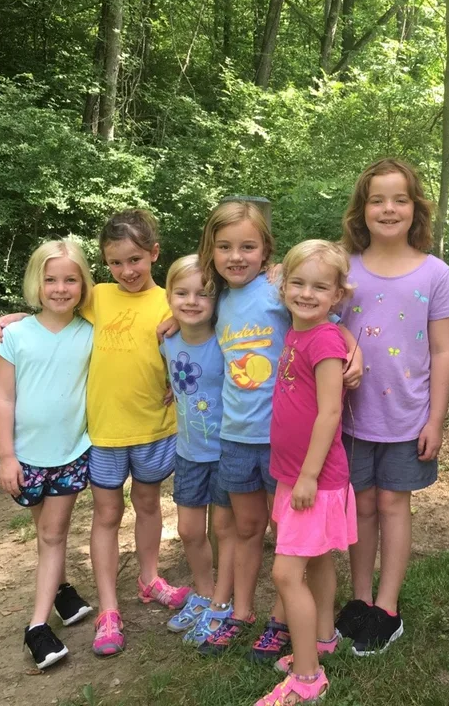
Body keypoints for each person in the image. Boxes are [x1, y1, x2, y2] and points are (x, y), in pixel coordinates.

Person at [0, 209, 190, 657]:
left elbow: (201, 315)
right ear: (105, 264)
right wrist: (13, 317)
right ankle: (107, 608)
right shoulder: (97, 296)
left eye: (136, 260)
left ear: (154, 254)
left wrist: (182, 322)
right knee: (105, 516)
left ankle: (149, 579)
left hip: (155, 428)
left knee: (146, 504)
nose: (127, 271)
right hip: (102, 433)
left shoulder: (170, 301)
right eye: (116, 263)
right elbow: (53, 305)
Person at [177, 201, 361, 661]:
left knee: (289, 534)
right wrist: (172, 321)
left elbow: (329, 324)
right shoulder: (216, 298)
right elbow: (187, 313)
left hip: (283, 443)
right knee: (244, 527)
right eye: (225, 247)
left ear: (265, 252)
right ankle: (239, 613)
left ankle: (280, 620)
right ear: (211, 252)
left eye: (247, 246)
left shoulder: (279, 292)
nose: (236, 256)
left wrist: (357, 351)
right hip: (235, 436)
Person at [334, 158, 449, 655]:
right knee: (360, 507)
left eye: (400, 199)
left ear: (416, 209)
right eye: (377, 199)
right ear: (362, 210)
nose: (388, 208)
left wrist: (436, 418)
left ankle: (388, 608)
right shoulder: (343, 268)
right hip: (348, 416)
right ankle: (361, 599)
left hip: (409, 417)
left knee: (392, 505)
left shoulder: (435, 273)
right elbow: (315, 313)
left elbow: (442, 350)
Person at [255, 240, 358, 705]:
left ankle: (306, 678)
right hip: (293, 474)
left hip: (313, 479)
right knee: (317, 560)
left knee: (285, 575)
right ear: (283, 286)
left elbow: (331, 412)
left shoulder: (326, 340)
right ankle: (322, 636)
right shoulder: (297, 332)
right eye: (298, 283)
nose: (307, 293)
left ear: (338, 294)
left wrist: (310, 476)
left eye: (321, 287)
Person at [0, 239, 95, 669]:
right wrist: (6, 456)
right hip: (26, 458)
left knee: (53, 534)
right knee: (46, 535)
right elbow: (4, 399)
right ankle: (63, 591)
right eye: (50, 279)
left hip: (72, 452)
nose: (60, 287)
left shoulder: (92, 330)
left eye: (70, 279)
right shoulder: (14, 334)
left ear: (84, 283)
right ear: (36, 282)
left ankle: (36, 628)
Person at [158, 256, 238, 646]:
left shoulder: (226, 339)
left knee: (224, 531)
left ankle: (224, 601)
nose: (191, 301)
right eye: (182, 292)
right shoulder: (167, 340)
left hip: (226, 451)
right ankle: (203, 593)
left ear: (217, 298)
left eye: (203, 293)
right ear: (168, 296)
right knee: (190, 530)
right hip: (188, 452)